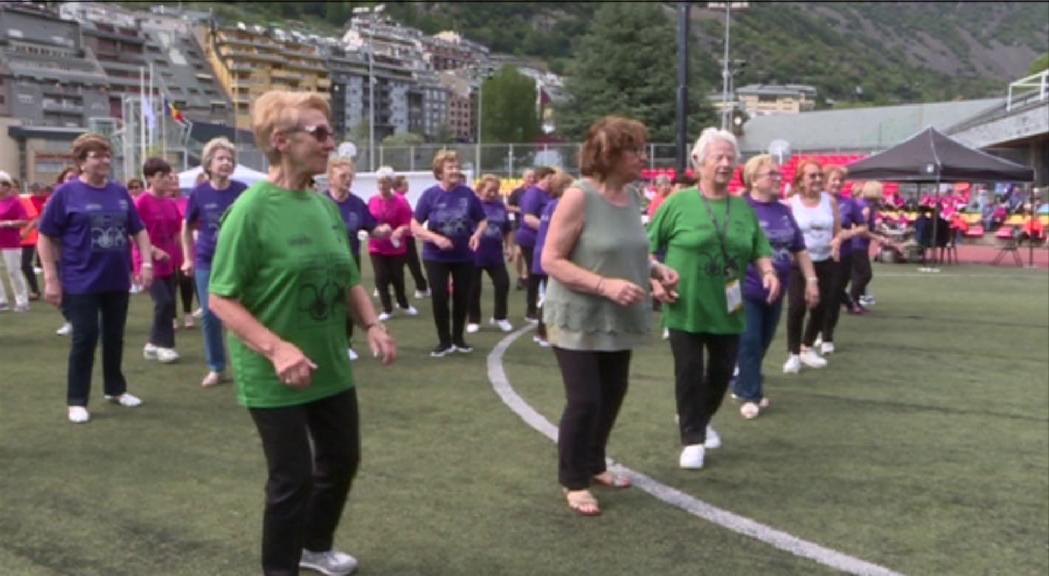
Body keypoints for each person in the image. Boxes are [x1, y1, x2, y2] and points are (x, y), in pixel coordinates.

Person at [208, 90, 396, 576]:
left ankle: (315, 546)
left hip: (328, 361)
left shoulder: (323, 206)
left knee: (341, 458)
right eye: (319, 133)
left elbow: (347, 277)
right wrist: (276, 348)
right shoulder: (250, 211)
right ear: (281, 140)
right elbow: (220, 298)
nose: (330, 143)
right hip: (273, 369)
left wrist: (372, 323)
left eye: (329, 132)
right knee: (291, 477)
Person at [542, 116, 678, 516]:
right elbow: (551, 259)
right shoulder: (579, 196)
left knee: (612, 395)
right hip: (577, 315)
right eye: (633, 149)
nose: (642, 156)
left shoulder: (633, 195)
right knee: (585, 400)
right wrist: (605, 286)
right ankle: (573, 479)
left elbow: (629, 248)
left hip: (618, 316)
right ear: (609, 155)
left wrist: (655, 270)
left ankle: (595, 463)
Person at [649, 128, 777, 469]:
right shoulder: (677, 202)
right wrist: (656, 281)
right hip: (685, 303)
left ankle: (697, 419)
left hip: (729, 304)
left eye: (729, 157)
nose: (724, 163)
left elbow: (758, 248)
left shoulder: (742, 208)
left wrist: (768, 272)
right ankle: (692, 438)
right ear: (699, 161)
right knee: (689, 371)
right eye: (717, 157)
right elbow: (646, 246)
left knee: (721, 374)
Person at [37, 133, 153, 423]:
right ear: (81, 162)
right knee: (85, 338)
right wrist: (51, 278)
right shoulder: (65, 194)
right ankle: (76, 400)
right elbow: (44, 236)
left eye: (106, 155)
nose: (104, 161)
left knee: (115, 337)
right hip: (79, 280)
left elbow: (138, 229)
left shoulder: (119, 192)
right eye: (96, 156)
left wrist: (147, 262)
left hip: (116, 279)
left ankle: (115, 389)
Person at [730, 155, 817, 419]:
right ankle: (751, 394)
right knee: (750, 340)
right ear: (754, 180)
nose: (779, 179)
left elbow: (799, 249)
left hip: (777, 288)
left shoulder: (783, 210)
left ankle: (741, 380)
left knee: (764, 340)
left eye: (779, 174)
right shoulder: (739, 208)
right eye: (772, 174)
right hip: (744, 286)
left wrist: (812, 281)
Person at [182, 137, 248, 388]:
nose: (226, 163)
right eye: (221, 158)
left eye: (230, 159)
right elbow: (186, 227)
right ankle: (216, 367)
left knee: (242, 314)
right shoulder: (199, 193)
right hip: (206, 262)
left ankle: (245, 365)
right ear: (209, 163)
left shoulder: (241, 191)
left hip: (237, 262)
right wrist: (188, 258)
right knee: (210, 315)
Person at [410, 150, 487, 357]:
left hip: (464, 256)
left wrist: (477, 234)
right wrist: (435, 238)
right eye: (450, 167)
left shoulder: (468, 194)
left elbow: (482, 220)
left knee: (462, 296)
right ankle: (444, 341)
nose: (455, 170)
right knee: (440, 296)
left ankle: (459, 339)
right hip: (436, 257)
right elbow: (415, 225)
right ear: (439, 172)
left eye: (456, 166)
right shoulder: (430, 195)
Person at [783, 159, 839, 374]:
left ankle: (806, 346)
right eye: (812, 176)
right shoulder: (791, 203)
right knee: (797, 307)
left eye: (819, 175)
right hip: (798, 264)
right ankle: (793, 354)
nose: (817, 179)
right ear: (801, 180)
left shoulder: (830, 201)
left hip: (825, 261)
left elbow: (838, 231)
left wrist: (837, 241)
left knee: (820, 307)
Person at [134, 158, 184, 364]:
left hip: (169, 262)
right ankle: (165, 345)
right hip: (147, 261)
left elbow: (177, 233)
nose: (166, 180)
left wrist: (186, 258)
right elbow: (133, 234)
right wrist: (153, 252)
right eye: (160, 176)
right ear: (149, 179)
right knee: (162, 302)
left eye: (167, 175)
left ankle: (153, 344)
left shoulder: (171, 204)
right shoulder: (141, 202)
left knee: (169, 304)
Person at [820, 165, 866, 354]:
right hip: (818, 256)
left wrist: (848, 233)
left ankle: (827, 337)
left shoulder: (850, 203)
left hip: (843, 256)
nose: (838, 183)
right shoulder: (815, 202)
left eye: (840, 180)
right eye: (834, 179)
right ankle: (817, 329)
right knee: (819, 297)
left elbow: (863, 227)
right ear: (824, 181)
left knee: (833, 296)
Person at [529, 170, 574, 347]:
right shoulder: (560, 206)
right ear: (563, 188)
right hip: (552, 258)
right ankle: (547, 334)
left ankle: (545, 334)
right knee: (552, 298)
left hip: (542, 255)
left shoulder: (550, 205)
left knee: (548, 296)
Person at [367, 166, 415, 323]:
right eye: (379, 182)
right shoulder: (372, 201)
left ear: (391, 183)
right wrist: (376, 229)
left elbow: (408, 223)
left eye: (385, 182)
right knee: (381, 277)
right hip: (376, 246)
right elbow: (368, 222)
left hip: (396, 247)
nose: (382, 186)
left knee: (397, 277)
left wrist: (399, 230)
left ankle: (403, 303)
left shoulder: (401, 202)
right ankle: (387, 308)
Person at [467, 174, 513, 334]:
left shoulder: (500, 206)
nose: (493, 194)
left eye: (496, 190)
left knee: (503, 283)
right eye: (489, 190)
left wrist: (509, 247)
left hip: (495, 254)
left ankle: (500, 316)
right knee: (473, 287)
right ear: (480, 189)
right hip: (474, 253)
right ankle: (474, 319)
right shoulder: (472, 205)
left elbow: (507, 229)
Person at [516, 166, 555, 322]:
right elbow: (528, 218)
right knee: (535, 274)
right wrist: (549, 229)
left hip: (544, 239)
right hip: (531, 239)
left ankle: (546, 307)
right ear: (541, 178)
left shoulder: (549, 194)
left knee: (546, 274)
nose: (551, 181)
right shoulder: (533, 194)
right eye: (549, 178)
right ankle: (531, 310)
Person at [850, 181, 889, 307]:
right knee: (865, 274)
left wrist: (880, 231)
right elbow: (862, 231)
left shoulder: (867, 206)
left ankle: (854, 301)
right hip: (857, 245)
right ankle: (851, 300)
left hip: (859, 245)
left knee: (858, 275)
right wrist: (878, 238)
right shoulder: (866, 208)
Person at [51, 167, 79, 336]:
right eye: (69, 178)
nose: (72, 181)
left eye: (75, 178)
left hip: (82, 253)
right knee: (63, 288)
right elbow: (47, 230)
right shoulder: (57, 200)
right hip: (61, 251)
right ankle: (70, 319)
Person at [393, 175, 430, 298]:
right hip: (406, 237)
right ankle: (421, 288)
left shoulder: (396, 199)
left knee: (394, 264)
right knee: (413, 263)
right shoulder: (400, 200)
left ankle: (384, 286)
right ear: (398, 187)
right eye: (405, 184)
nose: (407, 186)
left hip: (397, 237)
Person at [0, 170, 31, 312]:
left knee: (13, 271)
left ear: (6, 186)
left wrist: (7, 223)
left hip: (10, 241)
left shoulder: (16, 202)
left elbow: (24, 221)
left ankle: (22, 301)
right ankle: (2, 300)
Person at [170, 185, 196, 329]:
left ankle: (188, 313)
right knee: (171, 283)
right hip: (168, 248)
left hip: (184, 246)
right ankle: (172, 316)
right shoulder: (164, 202)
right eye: (170, 178)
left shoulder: (186, 201)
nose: (173, 182)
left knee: (186, 281)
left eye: (175, 179)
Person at [507, 168, 535, 290]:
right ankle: (521, 276)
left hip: (533, 227)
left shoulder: (536, 192)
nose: (532, 179)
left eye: (533, 177)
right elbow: (508, 206)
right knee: (518, 253)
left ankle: (526, 276)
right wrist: (520, 210)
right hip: (519, 226)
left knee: (530, 255)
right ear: (524, 178)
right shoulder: (517, 192)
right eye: (529, 177)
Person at [19, 183, 47, 301]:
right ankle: (21, 292)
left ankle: (35, 290)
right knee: (15, 268)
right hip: (10, 239)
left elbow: (35, 218)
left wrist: (26, 232)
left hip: (28, 237)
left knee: (25, 265)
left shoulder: (25, 201)